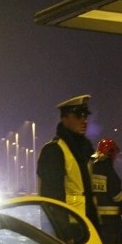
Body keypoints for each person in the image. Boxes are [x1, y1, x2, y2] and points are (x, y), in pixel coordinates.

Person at [37, 94, 99, 231]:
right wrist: (63, 234)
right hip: (70, 228)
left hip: (87, 225)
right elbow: (52, 199)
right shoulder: (54, 150)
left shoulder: (84, 151)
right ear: (64, 119)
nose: (84, 121)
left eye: (85, 116)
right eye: (78, 116)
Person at [91, 138, 122, 244]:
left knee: (115, 235)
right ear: (111, 153)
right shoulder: (108, 169)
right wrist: (121, 200)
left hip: (98, 211)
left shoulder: (93, 167)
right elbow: (115, 192)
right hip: (111, 212)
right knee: (112, 236)